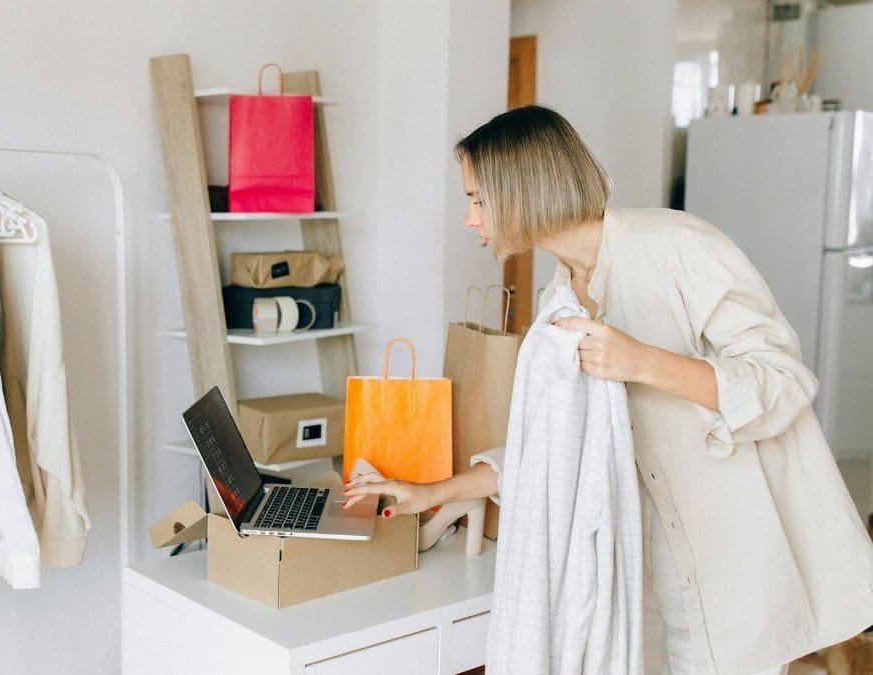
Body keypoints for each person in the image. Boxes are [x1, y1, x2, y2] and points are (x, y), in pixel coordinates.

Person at [342, 105, 873, 675]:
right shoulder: (560, 300)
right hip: (637, 560)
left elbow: (784, 381)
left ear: (522, 190)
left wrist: (641, 360)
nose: (470, 219)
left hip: (729, 551)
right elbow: (549, 454)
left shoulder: (677, 246)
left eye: (477, 199)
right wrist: (433, 494)